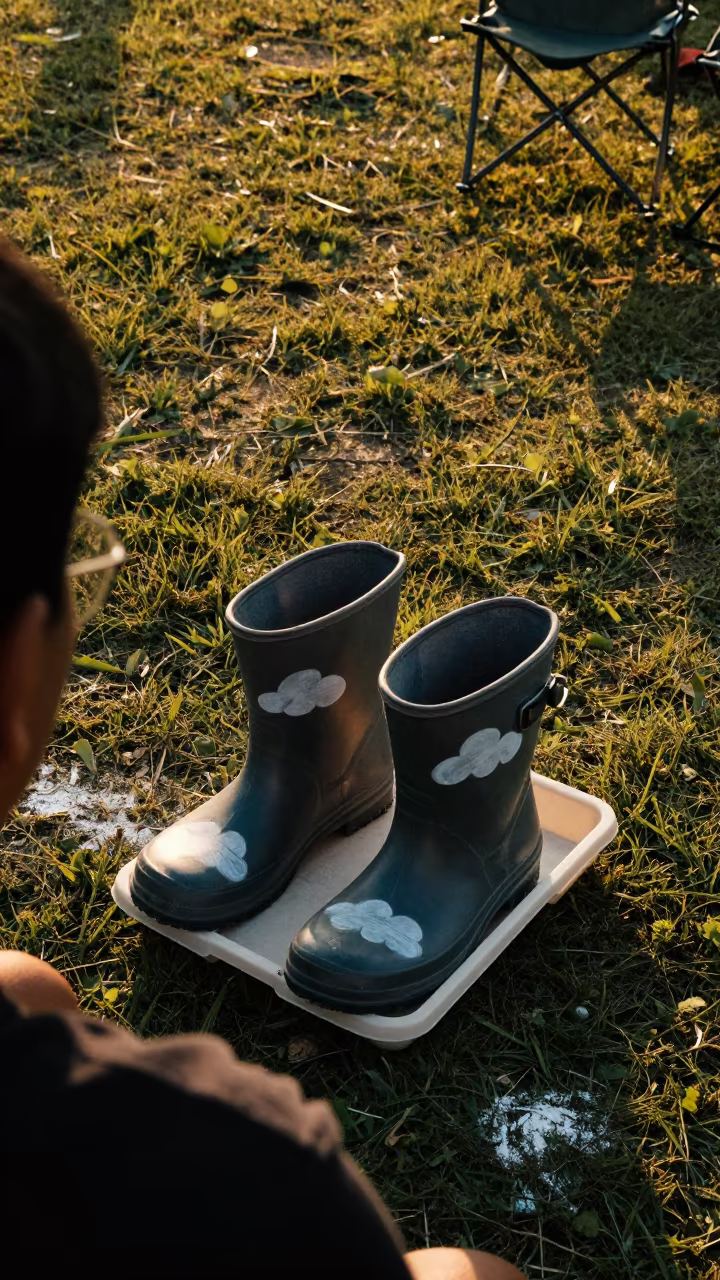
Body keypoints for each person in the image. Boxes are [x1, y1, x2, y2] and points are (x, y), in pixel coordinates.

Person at [0, 236, 523, 1280]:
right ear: (20, 658)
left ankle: (375, 795)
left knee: (29, 985)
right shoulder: (248, 1177)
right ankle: (330, 779)